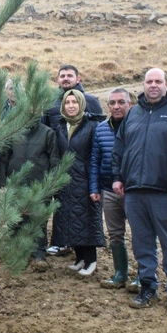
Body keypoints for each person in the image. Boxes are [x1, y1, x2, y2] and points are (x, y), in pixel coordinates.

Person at [112, 68, 167, 311]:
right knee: (141, 242)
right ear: (143, 84)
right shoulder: (134, 112)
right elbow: (120, 148)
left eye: (158, 81)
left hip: (164, 191)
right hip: (134, 190)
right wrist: (117, 177)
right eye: (149, 81)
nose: (153, 85)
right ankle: (148, 287)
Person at [0, 83, 60, 271]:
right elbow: (3, 160)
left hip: (38, 184)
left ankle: (39, 254)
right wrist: (2, 183)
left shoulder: (47, 133)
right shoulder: (13, 132)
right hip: (15, 183)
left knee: (37, 220)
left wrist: (50, 184)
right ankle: (17, 253)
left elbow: (54, 159)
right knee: (16, 219)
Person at [51, 90, 106, 276]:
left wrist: (94, 183)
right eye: (68, 102)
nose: (71, 106)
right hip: (65, 181)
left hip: (85, 181)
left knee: (86, 220)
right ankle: (79, 258)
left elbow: (96, 157)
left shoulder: (92, 126)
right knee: (69, 219)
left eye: (75, 102)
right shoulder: (60, 127)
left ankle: (91, 260)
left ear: (81, 104)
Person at [90, 88, 135, 289]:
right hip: (108, 189)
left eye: (121, 102)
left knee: (141, 234)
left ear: (130, 104)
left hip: (134, 190)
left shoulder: (138, 127)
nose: (116, 106)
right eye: (112, 103)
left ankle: (144, 276)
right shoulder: (100, 129)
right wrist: (95, 187)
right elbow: (95, 161)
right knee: (115, 234)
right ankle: (120, 273)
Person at [42, 65, 103, 129]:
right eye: (62, 76)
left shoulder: (91, 101)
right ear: (58, 80)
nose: (65, 78)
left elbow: (100, 129)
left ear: (77, 79)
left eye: (70, 76)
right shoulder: (50, 102)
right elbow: (45, 129)